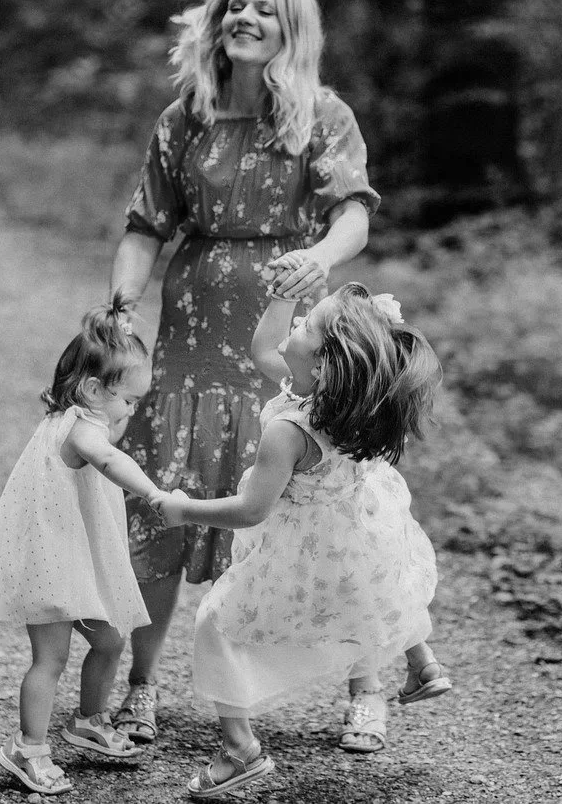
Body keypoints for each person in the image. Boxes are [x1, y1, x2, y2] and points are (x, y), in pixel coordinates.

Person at [107, 0, 385, 751]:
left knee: (324, 512)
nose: (247, 17)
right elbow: (143, 224)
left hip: (283, 333)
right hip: (190, 335)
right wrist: (123, 298)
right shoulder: (184, 117)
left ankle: (368, 690)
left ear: (291, 29)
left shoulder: (323, 116)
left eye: (266, 9)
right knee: (161, 505)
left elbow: (353, 215)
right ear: (216, 21)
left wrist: (322, 259)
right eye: (237, 6)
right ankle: (140, 687)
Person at [156, 282, 453, 798]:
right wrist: (281, 297)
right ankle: (421, 662)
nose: (295, 325)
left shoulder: (289, 429)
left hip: (305, 546)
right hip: (353, 530)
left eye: (306, 324)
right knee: (371, 592)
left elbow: (252, 509)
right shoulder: (348, 402)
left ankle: (239, 750)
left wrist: (185, 509)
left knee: (217, 623)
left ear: (320, 365)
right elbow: (262, 349)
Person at [0, 294, 166, 796]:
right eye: (129, 401)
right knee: (50, 659)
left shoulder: (80, 415)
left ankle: (88, 719)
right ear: (95, 388)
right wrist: (154, 492)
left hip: (74, 555)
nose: (133, 411)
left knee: (109, 639)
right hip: (51, 562)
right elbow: (110, 462)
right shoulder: (82, 430)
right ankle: (28, 746)